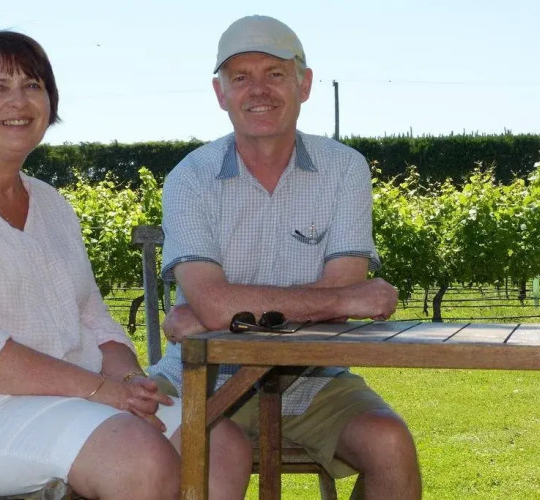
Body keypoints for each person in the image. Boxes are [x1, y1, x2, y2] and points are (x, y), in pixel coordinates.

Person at [0, 25, 252, 499]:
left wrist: (131, 381)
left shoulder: (50, 204)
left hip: (58, 400)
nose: (19, 101)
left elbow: (94, 320)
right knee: (137, 457)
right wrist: (100, 390)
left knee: (220, 443)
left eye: (32, 85)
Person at [147, 15, 421, 499]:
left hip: (310, 376)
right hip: (200, 377)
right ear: (220, 93)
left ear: (304, 84)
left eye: (275, 73)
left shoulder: (345, 169)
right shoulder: (189, 178)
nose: (259, 90)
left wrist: (222, 314)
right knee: (187, 451)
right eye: (240, 77)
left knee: (390, 444)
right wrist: (334, 300)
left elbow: (222, 307)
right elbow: (343, 298)